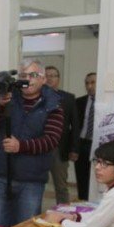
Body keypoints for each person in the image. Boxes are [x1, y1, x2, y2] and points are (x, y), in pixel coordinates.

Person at [0, 58, 64, 227]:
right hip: (1, 174)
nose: (27, 79)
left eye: (33, 75)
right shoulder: (8, 97)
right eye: (23, 75)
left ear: (43, 79)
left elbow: (51, 140)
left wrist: (20, 146)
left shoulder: (53, 105)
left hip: (31, 179)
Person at [44, 66, 80, 204]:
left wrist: (74, 148)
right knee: (36, 185)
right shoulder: (34, 96)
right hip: (38, 148)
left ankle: (63, 214)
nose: (50, 78)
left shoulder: (68, 98)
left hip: (60, 148)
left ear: (58, 79)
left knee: (61, 186)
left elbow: (75, 125)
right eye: (46, 75)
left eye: (53, 75)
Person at [75, 72, 97, 201]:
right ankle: (82, 201)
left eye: (93, 82)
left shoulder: (105, 102)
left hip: (97, 143)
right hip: (82, 143)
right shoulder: (79, 101)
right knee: (82, 176)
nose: (89, 86)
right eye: (87, 83)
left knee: (95, 177)